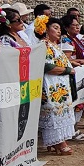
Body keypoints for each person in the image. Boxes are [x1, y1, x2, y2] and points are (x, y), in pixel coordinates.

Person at [34, 16, 76, 155]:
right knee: (53, 111)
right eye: (55, 28)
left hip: (60, 83)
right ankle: (57, 142)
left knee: (61, 110)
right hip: (50, 83)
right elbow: (46, 66)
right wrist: (67, 70)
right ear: (45, 29)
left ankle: (59, 140)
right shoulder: (43, 45)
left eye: (59, 28)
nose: (59, 31)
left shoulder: (54, 45)